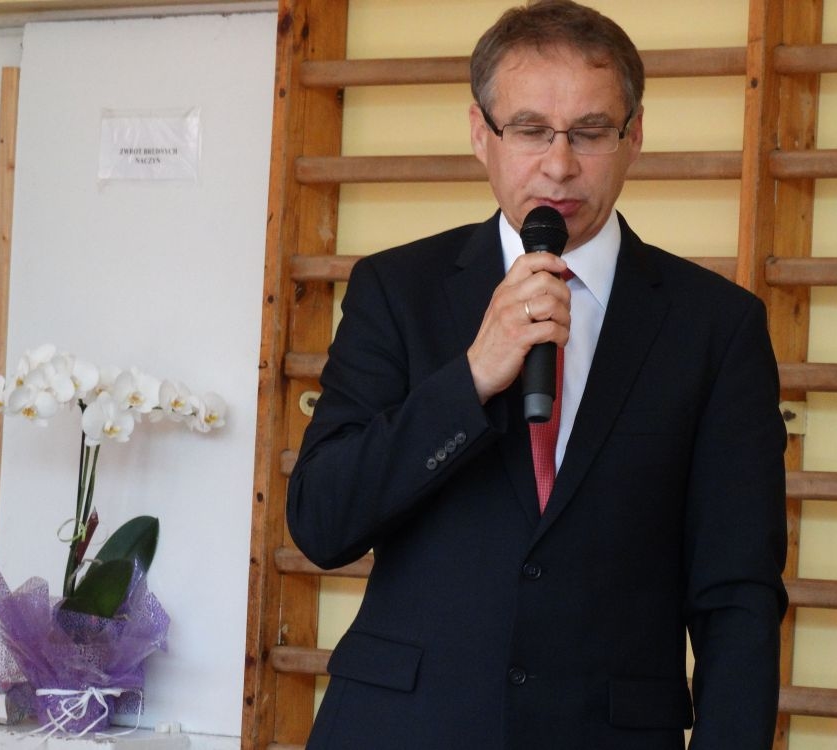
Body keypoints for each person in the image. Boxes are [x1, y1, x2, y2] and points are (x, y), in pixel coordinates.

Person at [286, 1, 788, 748]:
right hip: (400, 727)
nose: (559, 165)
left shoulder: (716, 325)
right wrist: (470, 379)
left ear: (634, 137)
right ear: (480, 134)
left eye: (590, 131)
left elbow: (737, 595)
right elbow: (322, 523)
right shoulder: (397, 290)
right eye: (529, 130)